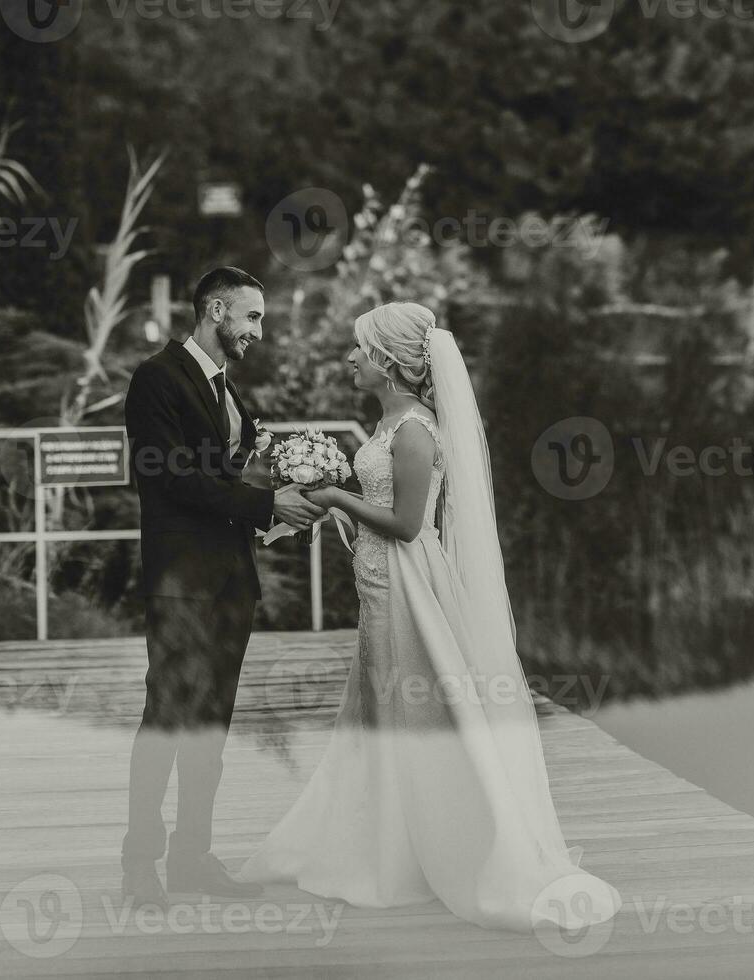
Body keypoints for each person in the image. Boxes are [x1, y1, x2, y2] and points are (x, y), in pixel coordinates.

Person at [237, 302, 622, 932]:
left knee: (413, 703)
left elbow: (409, 525)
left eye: (359, 350)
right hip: (378, 579)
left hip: (405, 582)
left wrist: (335, 495)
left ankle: (442, 845)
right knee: (380, 705)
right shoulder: (389, 424)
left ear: (387, 362)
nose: (350, 359)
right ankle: (389, 839)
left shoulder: (414, 431)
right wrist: (336, 506)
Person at [120, 267, 326, 909]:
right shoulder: (157, 377)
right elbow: (169, 481)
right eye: (253, 317)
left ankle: (192, 857)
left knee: (211, 723)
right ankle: (139, 863)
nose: (259, 332)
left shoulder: (223, 388)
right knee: (168, 718)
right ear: (216, 310)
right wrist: (268, 506)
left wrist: (283, 480)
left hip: (232, 579)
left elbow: (228, 470)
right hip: (181, 582)